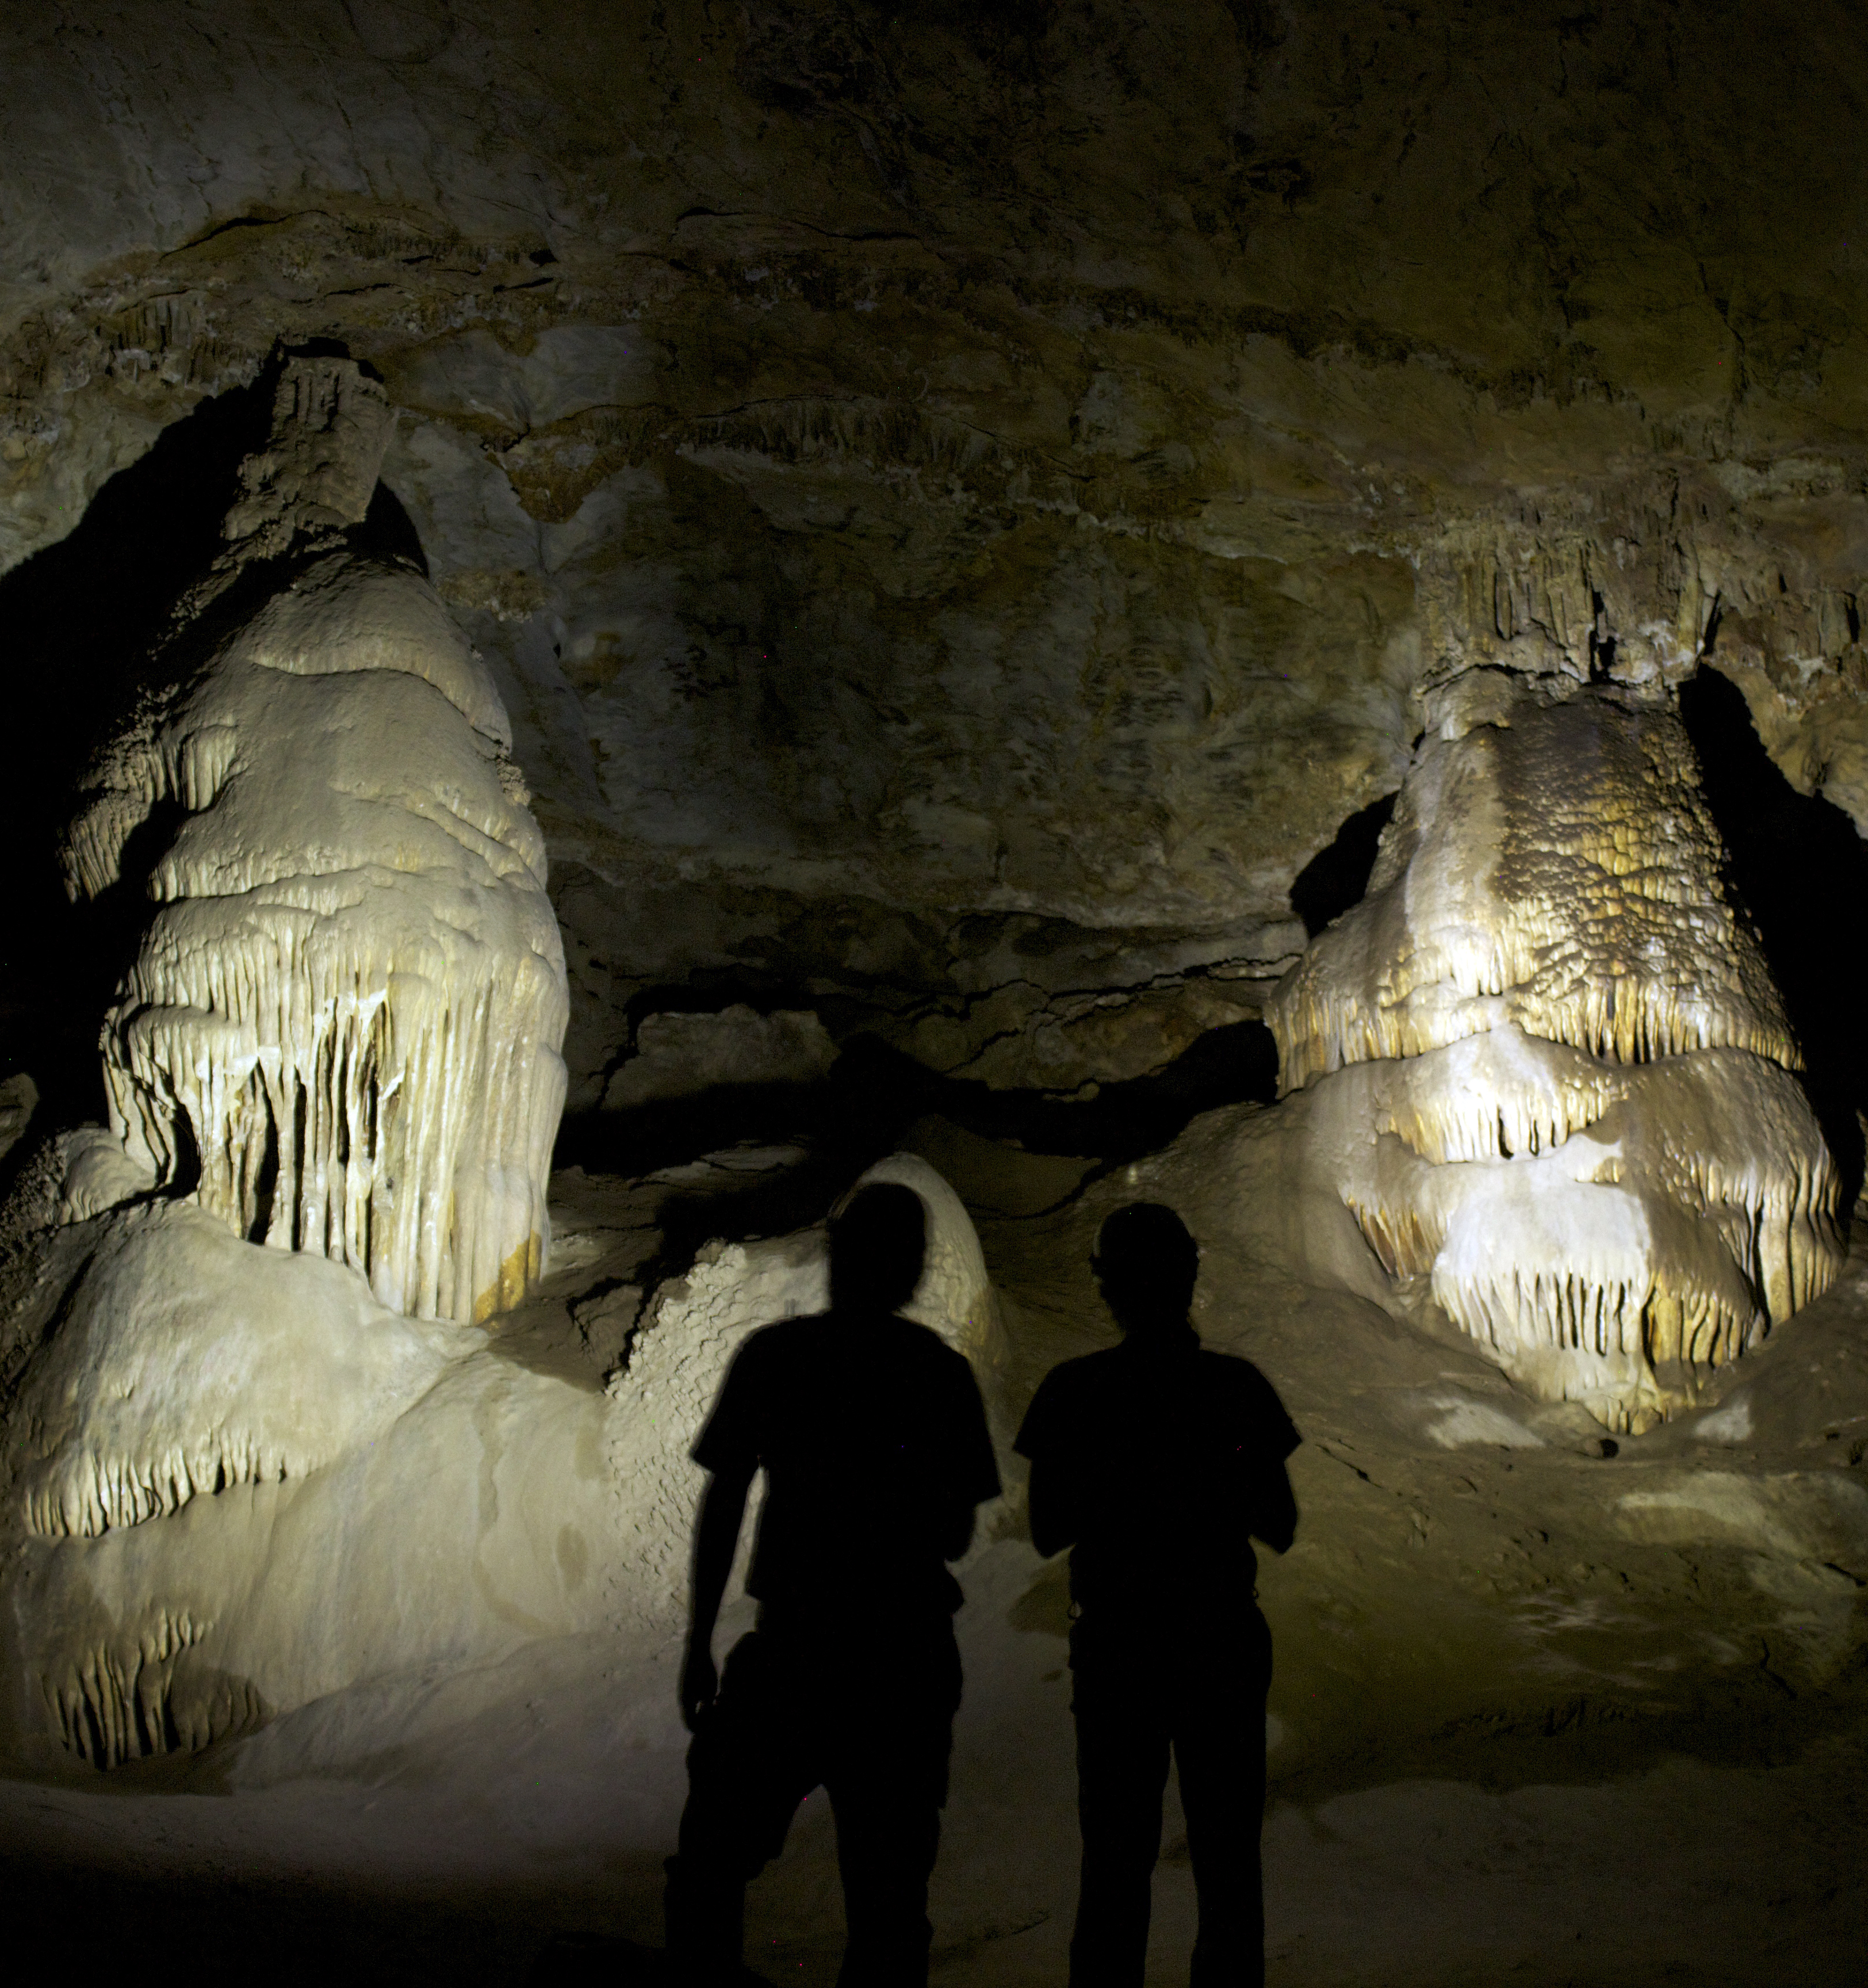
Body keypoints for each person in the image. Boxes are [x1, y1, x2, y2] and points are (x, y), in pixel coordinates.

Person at [664, 1182, 1002, 1987]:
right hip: (901, 1657)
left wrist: (700, 1640)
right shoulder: (938, 1373)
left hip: (795, 1646)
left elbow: (724, 1499)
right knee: (888, 1899)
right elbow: (956, 1533)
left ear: (839, 1258)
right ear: (916, 1272)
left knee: (712, 1860)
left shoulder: (777, 1356)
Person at [1015, 1202, 1299, 1988]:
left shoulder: (1074, 1392)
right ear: (1190, 1276)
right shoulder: (1236, 1390)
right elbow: (1280, 1524)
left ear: (1108, 1287)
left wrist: (1122, 1485)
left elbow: (1046, 1529)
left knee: (1113, 1861)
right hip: (1218, 1643)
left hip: (1120, 1648)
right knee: (1228, 1861)